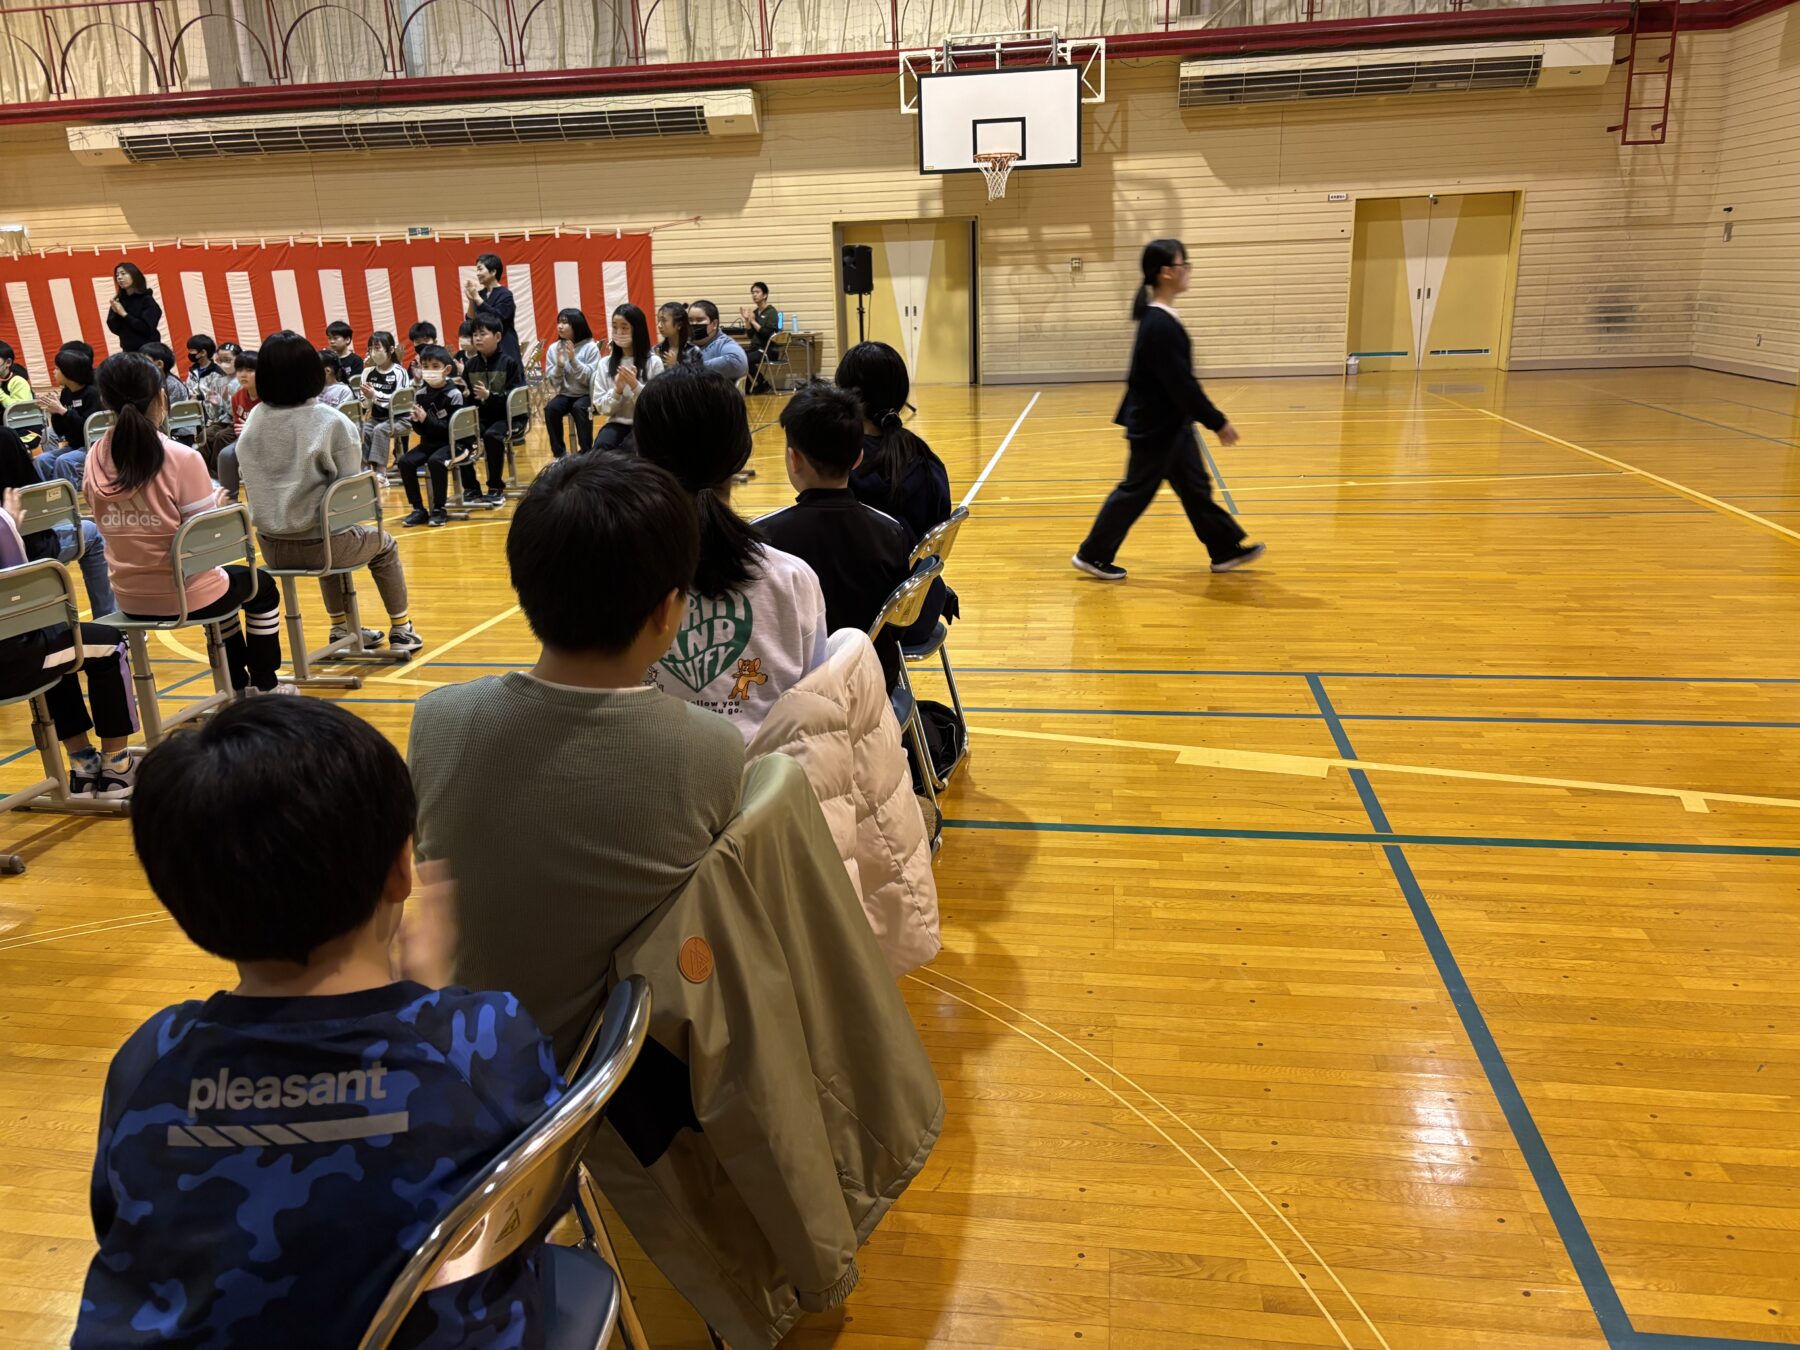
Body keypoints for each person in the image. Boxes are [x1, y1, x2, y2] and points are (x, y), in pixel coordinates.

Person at [72, 696, 564, 1349]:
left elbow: (118, 1221)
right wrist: (433, 1005)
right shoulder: (484, 1038)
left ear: (178, 899)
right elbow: (544, 1202)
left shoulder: (148, 1058)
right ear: (401, 870)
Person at [409, 451, 745, 1058]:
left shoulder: (437, 720)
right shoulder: (711, 747)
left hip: (469, 1063)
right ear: (668, 611)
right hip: (620, 1080)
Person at [635, 370, 826, 738]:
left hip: (649, 785)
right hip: (767, 786)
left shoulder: (617, 577)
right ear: (741, 454)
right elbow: (813, 704)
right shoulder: (792, 578)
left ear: (641, 455)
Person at [84, 352, 289, 694]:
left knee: (222, 589)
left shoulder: (94, 457)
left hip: (129, 598)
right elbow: (207, 550)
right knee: (259, 586)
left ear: (105, 401)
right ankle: (266, 686)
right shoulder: (182, 457)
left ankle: (238, 685)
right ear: (161, 397)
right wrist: (220, 513)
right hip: (183, 595)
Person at [1073, 237, 1263, 581]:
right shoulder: (1159, 324)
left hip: (1172, 426)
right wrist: (1217, 422)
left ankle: (1224, 550)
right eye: (1182, 265)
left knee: (1195, 488)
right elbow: (1181, 384)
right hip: (1157, 428)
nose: (1187, 271)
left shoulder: (1161, 319)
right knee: (1135, 491)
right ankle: (1093, 554)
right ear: (1165, 273)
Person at [234, 331, 423, 654]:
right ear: (313, 372)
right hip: (323, 545)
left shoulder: (254, 419)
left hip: (271, 546)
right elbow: (350, 499)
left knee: (325, 527)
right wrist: (371, 487)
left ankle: (340, 628)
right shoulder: (330, 421)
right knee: (381, 545)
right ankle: (402, 628)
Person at [758, 382, 915, 691]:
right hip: (874, 685)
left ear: (793, 459)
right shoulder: (891, 531)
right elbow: (897, 629)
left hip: (797, 693)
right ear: (858, 458)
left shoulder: (764, 538)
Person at [0, 488, 139, 798]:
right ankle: (118, 767)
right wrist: (10, 526)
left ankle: (85, 766)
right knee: (108, 644)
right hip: (12, 663)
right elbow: (27, 599)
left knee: (57, 646)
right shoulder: (1, 523)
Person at [836, 339, 957, 641]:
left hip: (873, 620)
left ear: (849, 395)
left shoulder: (844, 469)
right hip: (921, 605)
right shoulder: (927, 457)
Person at [0, 424, 116, 620]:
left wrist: (63, 415)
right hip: (29, 550)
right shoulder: (5, 438)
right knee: (93, 534)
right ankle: (113, 625)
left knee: (56, 459)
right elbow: (32, 490)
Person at [463, 309, 524, 504]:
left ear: (497, 336)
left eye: (483, 334)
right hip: (482, 417)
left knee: (492, 436)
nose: (477, 338)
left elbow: (516, 399)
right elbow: (469, 399)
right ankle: (471, 487)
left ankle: (496, 486)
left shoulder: (509, 363)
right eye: (475, 334)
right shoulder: (470, 365)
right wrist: (462, 394)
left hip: (507, 417)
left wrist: (490, 397)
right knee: (461, 434)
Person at [398, 344, 463, 527]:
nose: (429, 371)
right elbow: (421, 432)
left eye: (435, 366)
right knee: (405, 462)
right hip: (429, 443)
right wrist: (416, 421)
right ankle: (418, 509)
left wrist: (427, 420)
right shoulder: (421, 394)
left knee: (436, 461)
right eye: (425, 367)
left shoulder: (453, 394)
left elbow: (450, 430)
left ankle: (439, 508)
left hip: (452, 444)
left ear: (447, 369)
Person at [593, 303, 661, 453]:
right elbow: (601, 407)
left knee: (632, 452)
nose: (618, 332)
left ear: (638, 330)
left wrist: (635, 385)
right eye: (615, 327)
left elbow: (655, 406)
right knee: (600, 449)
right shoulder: (605, 363)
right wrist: (617, 390)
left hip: (645, 425)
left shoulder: (654, 362)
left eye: (624, 327)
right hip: (616, 423)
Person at [35, 344, 101, 487]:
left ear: (70, 373)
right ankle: (48, 494)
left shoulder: (92, 394)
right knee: (42, 459)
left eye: (57, 369)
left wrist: (64, 412)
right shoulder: (66, 393)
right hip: (74, 445)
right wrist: (55, 413)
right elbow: (60, 431)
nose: (54, 372)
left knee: (64, 461)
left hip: (92, 446)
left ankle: (69, 499)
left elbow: (87, 430)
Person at [542, 308, 600, 458]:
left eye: (565, 322)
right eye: (559, 322)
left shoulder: (590, 347)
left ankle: (587, 453)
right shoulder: (554, 349)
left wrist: (573, 360)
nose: (560, 326)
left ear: (577, 325)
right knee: (551, 408)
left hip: (586, 393)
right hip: (565, 393)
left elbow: (589, 379)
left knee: (579, 407)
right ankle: (559, 454)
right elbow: (554, 383)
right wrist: (559, 366)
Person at [358, 330, 411, 480]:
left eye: (377, 348)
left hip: (401, 419)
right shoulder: (367, 372)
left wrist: (375, 396)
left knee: (381, 430)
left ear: (391, 350)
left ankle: (381, 471)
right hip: (376, 418)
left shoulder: (400, 372)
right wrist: (369, 398)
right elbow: (364, 403)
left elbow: (398, 403)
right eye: (370, 349)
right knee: (363, 430)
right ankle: (365, 469)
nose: (373, 353)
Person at [462, 253, 521, 368]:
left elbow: (498, 318)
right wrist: (471, 301)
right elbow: (470, 321)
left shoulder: (505, 294)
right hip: (485, 350)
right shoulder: (480, 295)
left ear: (493, 272)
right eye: (476, 270)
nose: (477, 274)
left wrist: (477, 299)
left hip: (505, 347)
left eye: (480, 269)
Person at [105, 262, 163, 354]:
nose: (119, 277)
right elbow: (115, 329)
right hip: (128, 351)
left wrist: (124, 314)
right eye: (117, 275)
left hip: (149, 352)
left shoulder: (147, 300)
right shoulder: (118, 301)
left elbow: (146, 329)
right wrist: (116, 314)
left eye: (123, 274)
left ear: (135, 276)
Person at [688, 299, 748, 381]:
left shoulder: (723, 343)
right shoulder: (685, 343)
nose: (694, 324)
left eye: (699, 320)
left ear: (714, 324)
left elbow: (737, 362)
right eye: (690, 320)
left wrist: (691, 368)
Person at [740, 281, 780, 393]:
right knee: (738, 356)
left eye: (757, 292)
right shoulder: (755, 312)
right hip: (756, 348)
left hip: (769, 350)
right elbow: (750, 335)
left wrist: (753, 320)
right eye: (752, 292)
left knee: (745, 359)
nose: (754, 295)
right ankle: (747, 387)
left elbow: (768, 334)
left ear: (765, 295)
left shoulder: (771, 312)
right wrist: (747, 320)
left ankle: (762, 383)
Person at [655, 301, 701, 372]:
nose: (659, 325)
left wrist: (676, 366)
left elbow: (698, 379)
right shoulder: (656, 350)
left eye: (664, 321)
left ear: (679, 325)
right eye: (658, 321)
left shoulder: (693, 351)